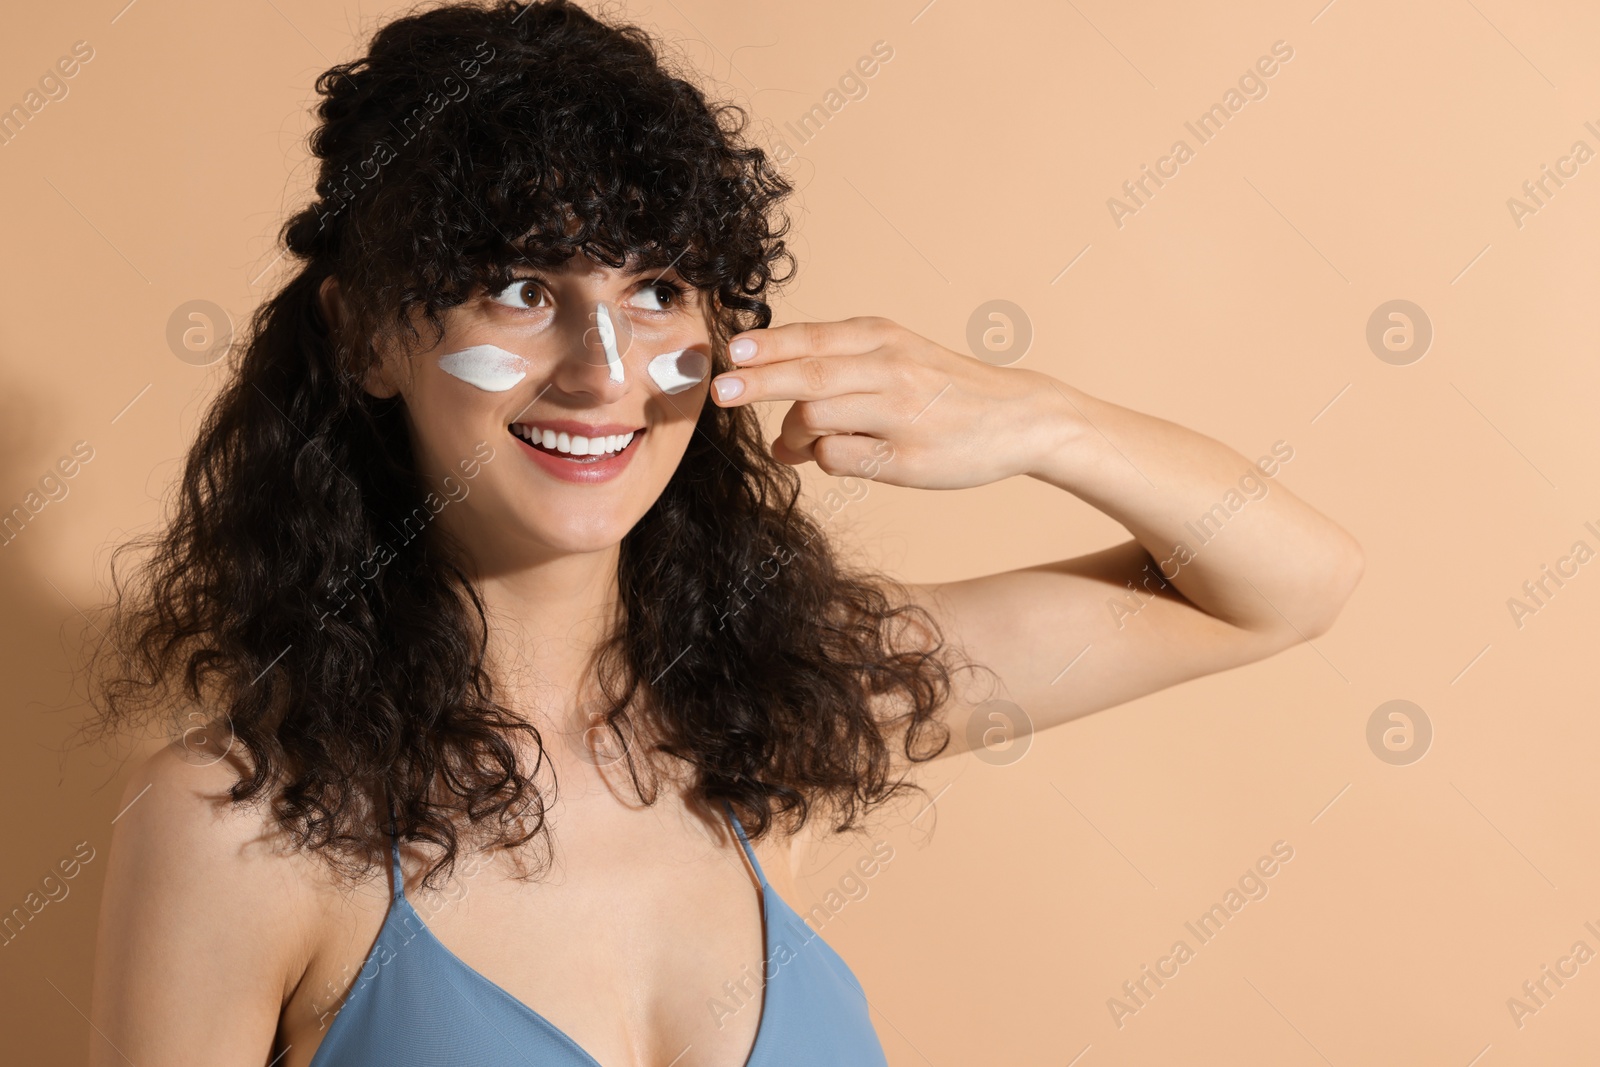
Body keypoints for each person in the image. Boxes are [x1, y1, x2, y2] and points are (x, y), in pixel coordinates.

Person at [85, 1, 1363, 1064]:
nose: (604, 370)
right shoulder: (242, 828)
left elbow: (1283, 586)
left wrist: (1031, 417)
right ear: (369, 333)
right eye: (522, 289)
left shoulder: (784, 717)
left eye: (655, 289)